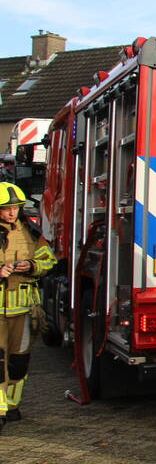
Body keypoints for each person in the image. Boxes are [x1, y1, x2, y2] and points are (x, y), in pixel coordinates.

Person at [0, 183, 56, 429]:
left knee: (18, 362)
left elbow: (49, 259)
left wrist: (32, 265)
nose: (12, 213)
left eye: (15, 208)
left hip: (23, 310)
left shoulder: (31, 232)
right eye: (6, 208)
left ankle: (12, 406)